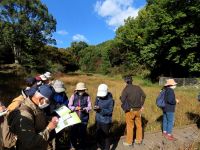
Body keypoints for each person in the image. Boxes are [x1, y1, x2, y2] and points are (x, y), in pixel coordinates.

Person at [8, 84, 59, 150]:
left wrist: (50, 118)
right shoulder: (25, 114)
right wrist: (48, 129)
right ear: (41, 99)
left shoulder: (34, 106)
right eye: (48, 102)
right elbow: (30, 143)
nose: (48, 105)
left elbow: (37, 116)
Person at [120, 75, 146, 146]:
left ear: (126, 81)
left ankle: (129, 142)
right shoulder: (138, 87)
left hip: (130, 110)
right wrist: (141, 105)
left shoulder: (126, 89)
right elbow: (144, 95)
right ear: (132, 81)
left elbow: (122, 100)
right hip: (138, 110)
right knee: (139, 125)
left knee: (130, 126)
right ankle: (139, 140)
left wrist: (121, 97)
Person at [68, 82, 92, 149]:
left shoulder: (87, 96)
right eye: (80, 90)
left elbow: (90, 107)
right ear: (77, 90)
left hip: (84, 119)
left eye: (82, 90)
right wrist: (75, 108)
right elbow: (69, 105)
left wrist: (84, 109)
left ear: (84, 90)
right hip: (74, 119)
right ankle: (73, 147)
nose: (81, 91)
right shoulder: (73, 96)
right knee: (73, 134)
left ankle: (82, 147)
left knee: (82, 134)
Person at [94, 84, 114, 150]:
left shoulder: (111, 100)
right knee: (98, 134)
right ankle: (100, 146)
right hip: (98, 119)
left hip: (105, 121)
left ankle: (106, 148)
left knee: (105, 137)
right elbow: (95, 104)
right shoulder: (98, 97)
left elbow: (110, 111)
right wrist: (95, 107)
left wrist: (100, 110)